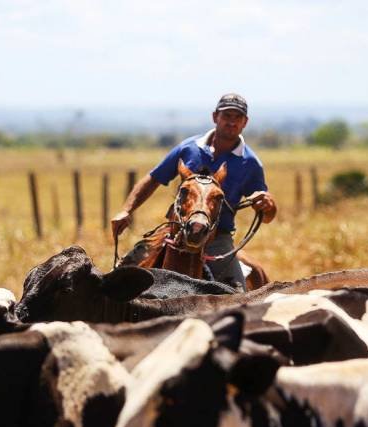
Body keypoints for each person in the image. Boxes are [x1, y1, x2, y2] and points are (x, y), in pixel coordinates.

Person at [111, 93, 276, 289]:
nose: (231, 122)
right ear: (215, 117)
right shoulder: (188, 148)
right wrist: (126, 210)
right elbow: (154, 179)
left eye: (237, 117)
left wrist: (268, 205)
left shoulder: (250, 164)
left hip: (218, 238)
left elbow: (266, 217)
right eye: (226, 116)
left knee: (236, 293)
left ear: (245, 122)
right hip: (175, 231)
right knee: (121, 275)